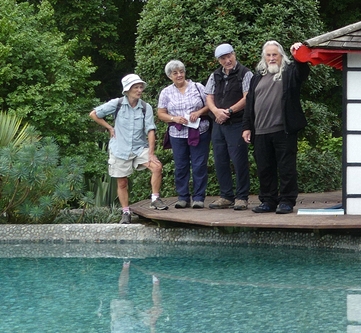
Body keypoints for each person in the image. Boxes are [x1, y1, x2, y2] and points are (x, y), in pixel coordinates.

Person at [242, 41, 309, 214]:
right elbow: (250, 103)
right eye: (268, 55)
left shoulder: (289, 73)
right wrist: (247, 126)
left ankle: (287, 201)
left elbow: (303, 72)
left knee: (286, 168)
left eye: (275, 55)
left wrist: (299, 54)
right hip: (261, 131)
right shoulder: (257, 77)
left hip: (283, 129)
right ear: (264, 57)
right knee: (264, 168)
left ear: (281, 56)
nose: (272, 58)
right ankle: (268, 201)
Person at [90, 74, 166, 224]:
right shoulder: (116, 104)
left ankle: (155, 199)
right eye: (135, 87)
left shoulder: (146, 107)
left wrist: (151, 153)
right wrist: (109, 127)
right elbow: (94, 114)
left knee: (157, 167)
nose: (139, 90)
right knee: (122, 183)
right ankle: (126, 212)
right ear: (127, 90)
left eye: (140, 87)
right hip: (119, 149)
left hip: (139, 148)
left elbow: (150, 130)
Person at [157, 60, 211, 208]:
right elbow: (161, 113)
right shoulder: (166, 92)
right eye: (175, 73)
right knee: (181, 166)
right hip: (177, 133)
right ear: (170, 76)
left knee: (199, 165)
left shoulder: (198, 87)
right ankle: (183, 197)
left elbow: (210, 104)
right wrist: (174, 118)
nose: (179, 75)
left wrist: (199, 112)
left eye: (181, 71)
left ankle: (199, 198)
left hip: (200, 131)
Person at [205, 43, 253, 210]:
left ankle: (242, 197)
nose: (227, 60)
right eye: (223, 58)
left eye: (229, 56)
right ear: (219, 61)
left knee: (239, 160)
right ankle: (226, 196)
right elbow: (209, 97)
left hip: (237, 122)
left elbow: (248, 98)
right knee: (220, 160)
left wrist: (229, 111)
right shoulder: (215, 75)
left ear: (234, 54)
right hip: (218, 123)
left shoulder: (245, 73)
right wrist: (216, 111)